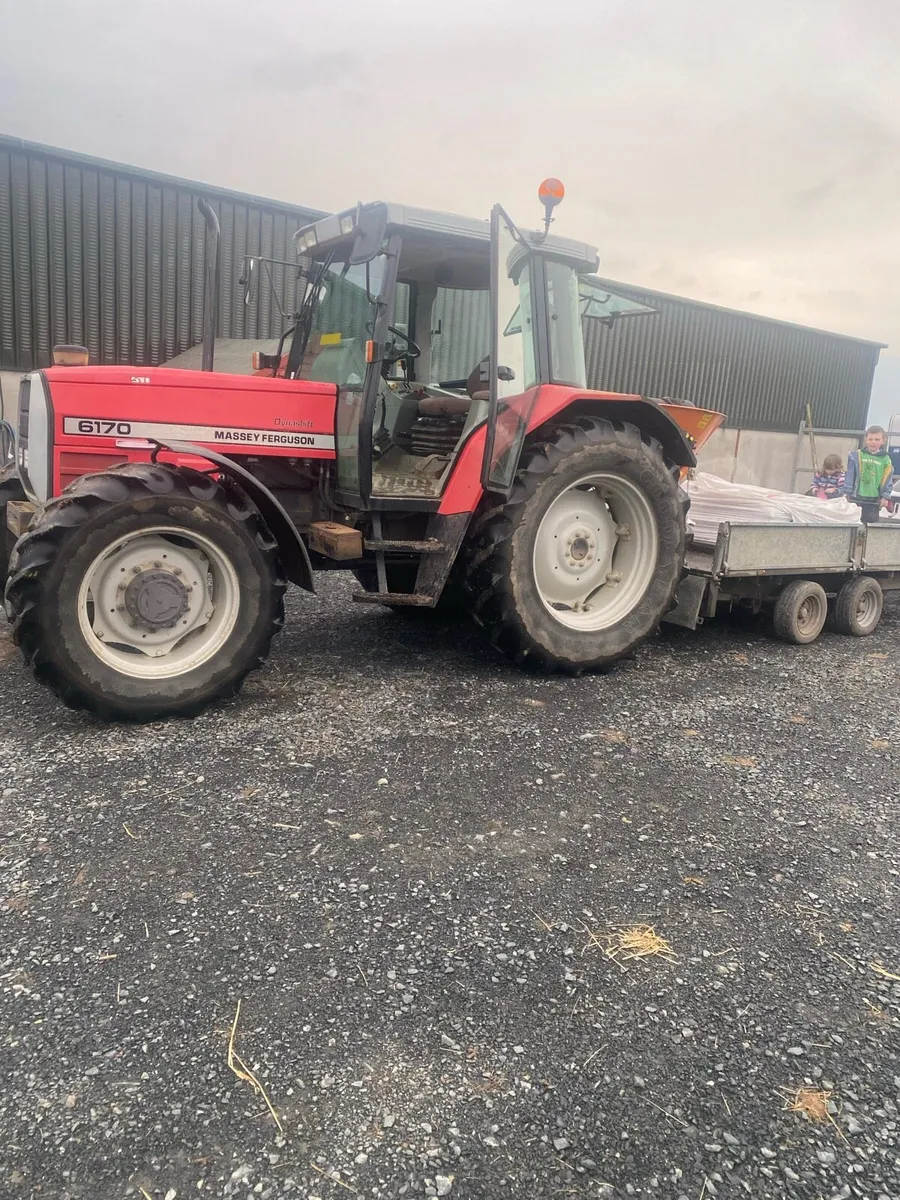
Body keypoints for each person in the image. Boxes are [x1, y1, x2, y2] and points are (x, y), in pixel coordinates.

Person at [843, 426, 894, 523]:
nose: (873, 442)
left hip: (874, 499)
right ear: (866, 440)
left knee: (869, 525)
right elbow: (850, 475)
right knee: (853, 522)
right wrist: (847, 492)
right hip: (856, 497)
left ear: (883, 441)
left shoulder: (885, 459)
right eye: (870, 439)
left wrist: (885, 496)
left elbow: (888, 479)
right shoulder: (857, 455)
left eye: (877, 439)